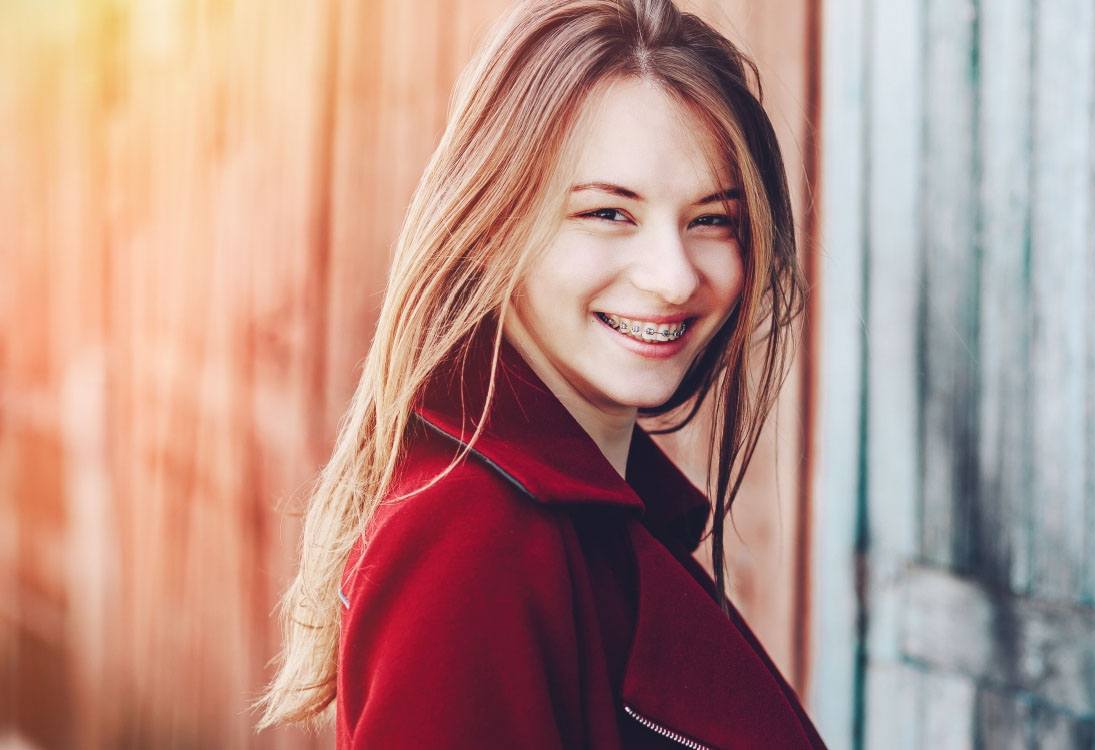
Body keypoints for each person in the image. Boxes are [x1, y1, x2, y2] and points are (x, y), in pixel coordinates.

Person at [254, 0, 824, 747]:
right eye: (608, 214)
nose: (675, 277)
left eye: (713, 219)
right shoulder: (472, 543)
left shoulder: (598, 524)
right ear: (491, 227)